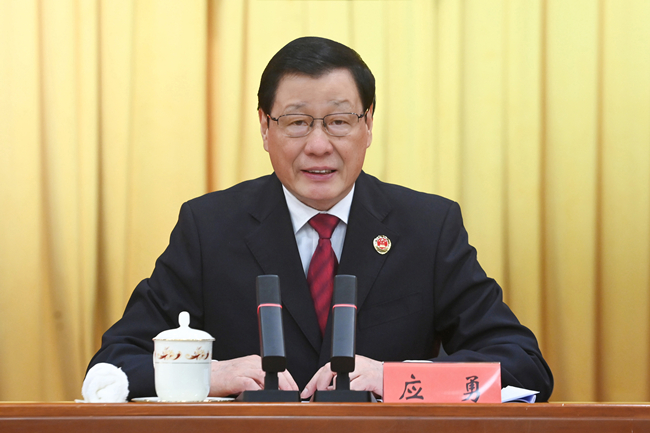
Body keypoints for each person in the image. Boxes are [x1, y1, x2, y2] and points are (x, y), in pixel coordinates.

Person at [87, 36, 554, 401]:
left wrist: (393, 378)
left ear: (368, 125)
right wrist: (210, 375)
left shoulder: (428, 228)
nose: (317, 145)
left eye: (339, 121)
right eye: (296, 122)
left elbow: (523, 365)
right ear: (264, 128)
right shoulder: (209, 228)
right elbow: (111, 366)